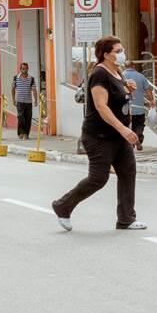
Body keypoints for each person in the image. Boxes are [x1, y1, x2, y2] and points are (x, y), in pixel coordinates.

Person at [51, 35, 146, 232]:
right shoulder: (99, 74)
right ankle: (63, 206)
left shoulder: (117, 72)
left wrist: (126, 88)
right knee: (98, 178)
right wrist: (124, 129)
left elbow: (116, 97)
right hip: (99, 136)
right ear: (105, 54)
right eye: (117, 51)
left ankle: (126, 218)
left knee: (128, 172)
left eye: (122, 50)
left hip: (118, 136)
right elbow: (101, 107)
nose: (122, 54)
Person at [123, 61, 153, 151]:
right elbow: (148, 90)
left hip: (125, 107)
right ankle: (138, 138)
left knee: (127, 126)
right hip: (139, 107)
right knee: (139, 124)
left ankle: (130, 143)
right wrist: (152, 100)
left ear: (125, 66)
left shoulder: (121, 76)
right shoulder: (141, 76)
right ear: (134, 66)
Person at [12, 62, 38, 140]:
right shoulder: (16, 78)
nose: (24, 70)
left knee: (28, 118)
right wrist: (13, 100)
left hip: (28, 102)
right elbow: (13, 89)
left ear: (28, 69)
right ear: (20, 69)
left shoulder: (31, 79)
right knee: (20, 117)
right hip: (19, 102)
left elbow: (34, 90)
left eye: (25, 68)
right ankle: (21, 133)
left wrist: (36, 100)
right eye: (23, 68)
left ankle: (26, 133)